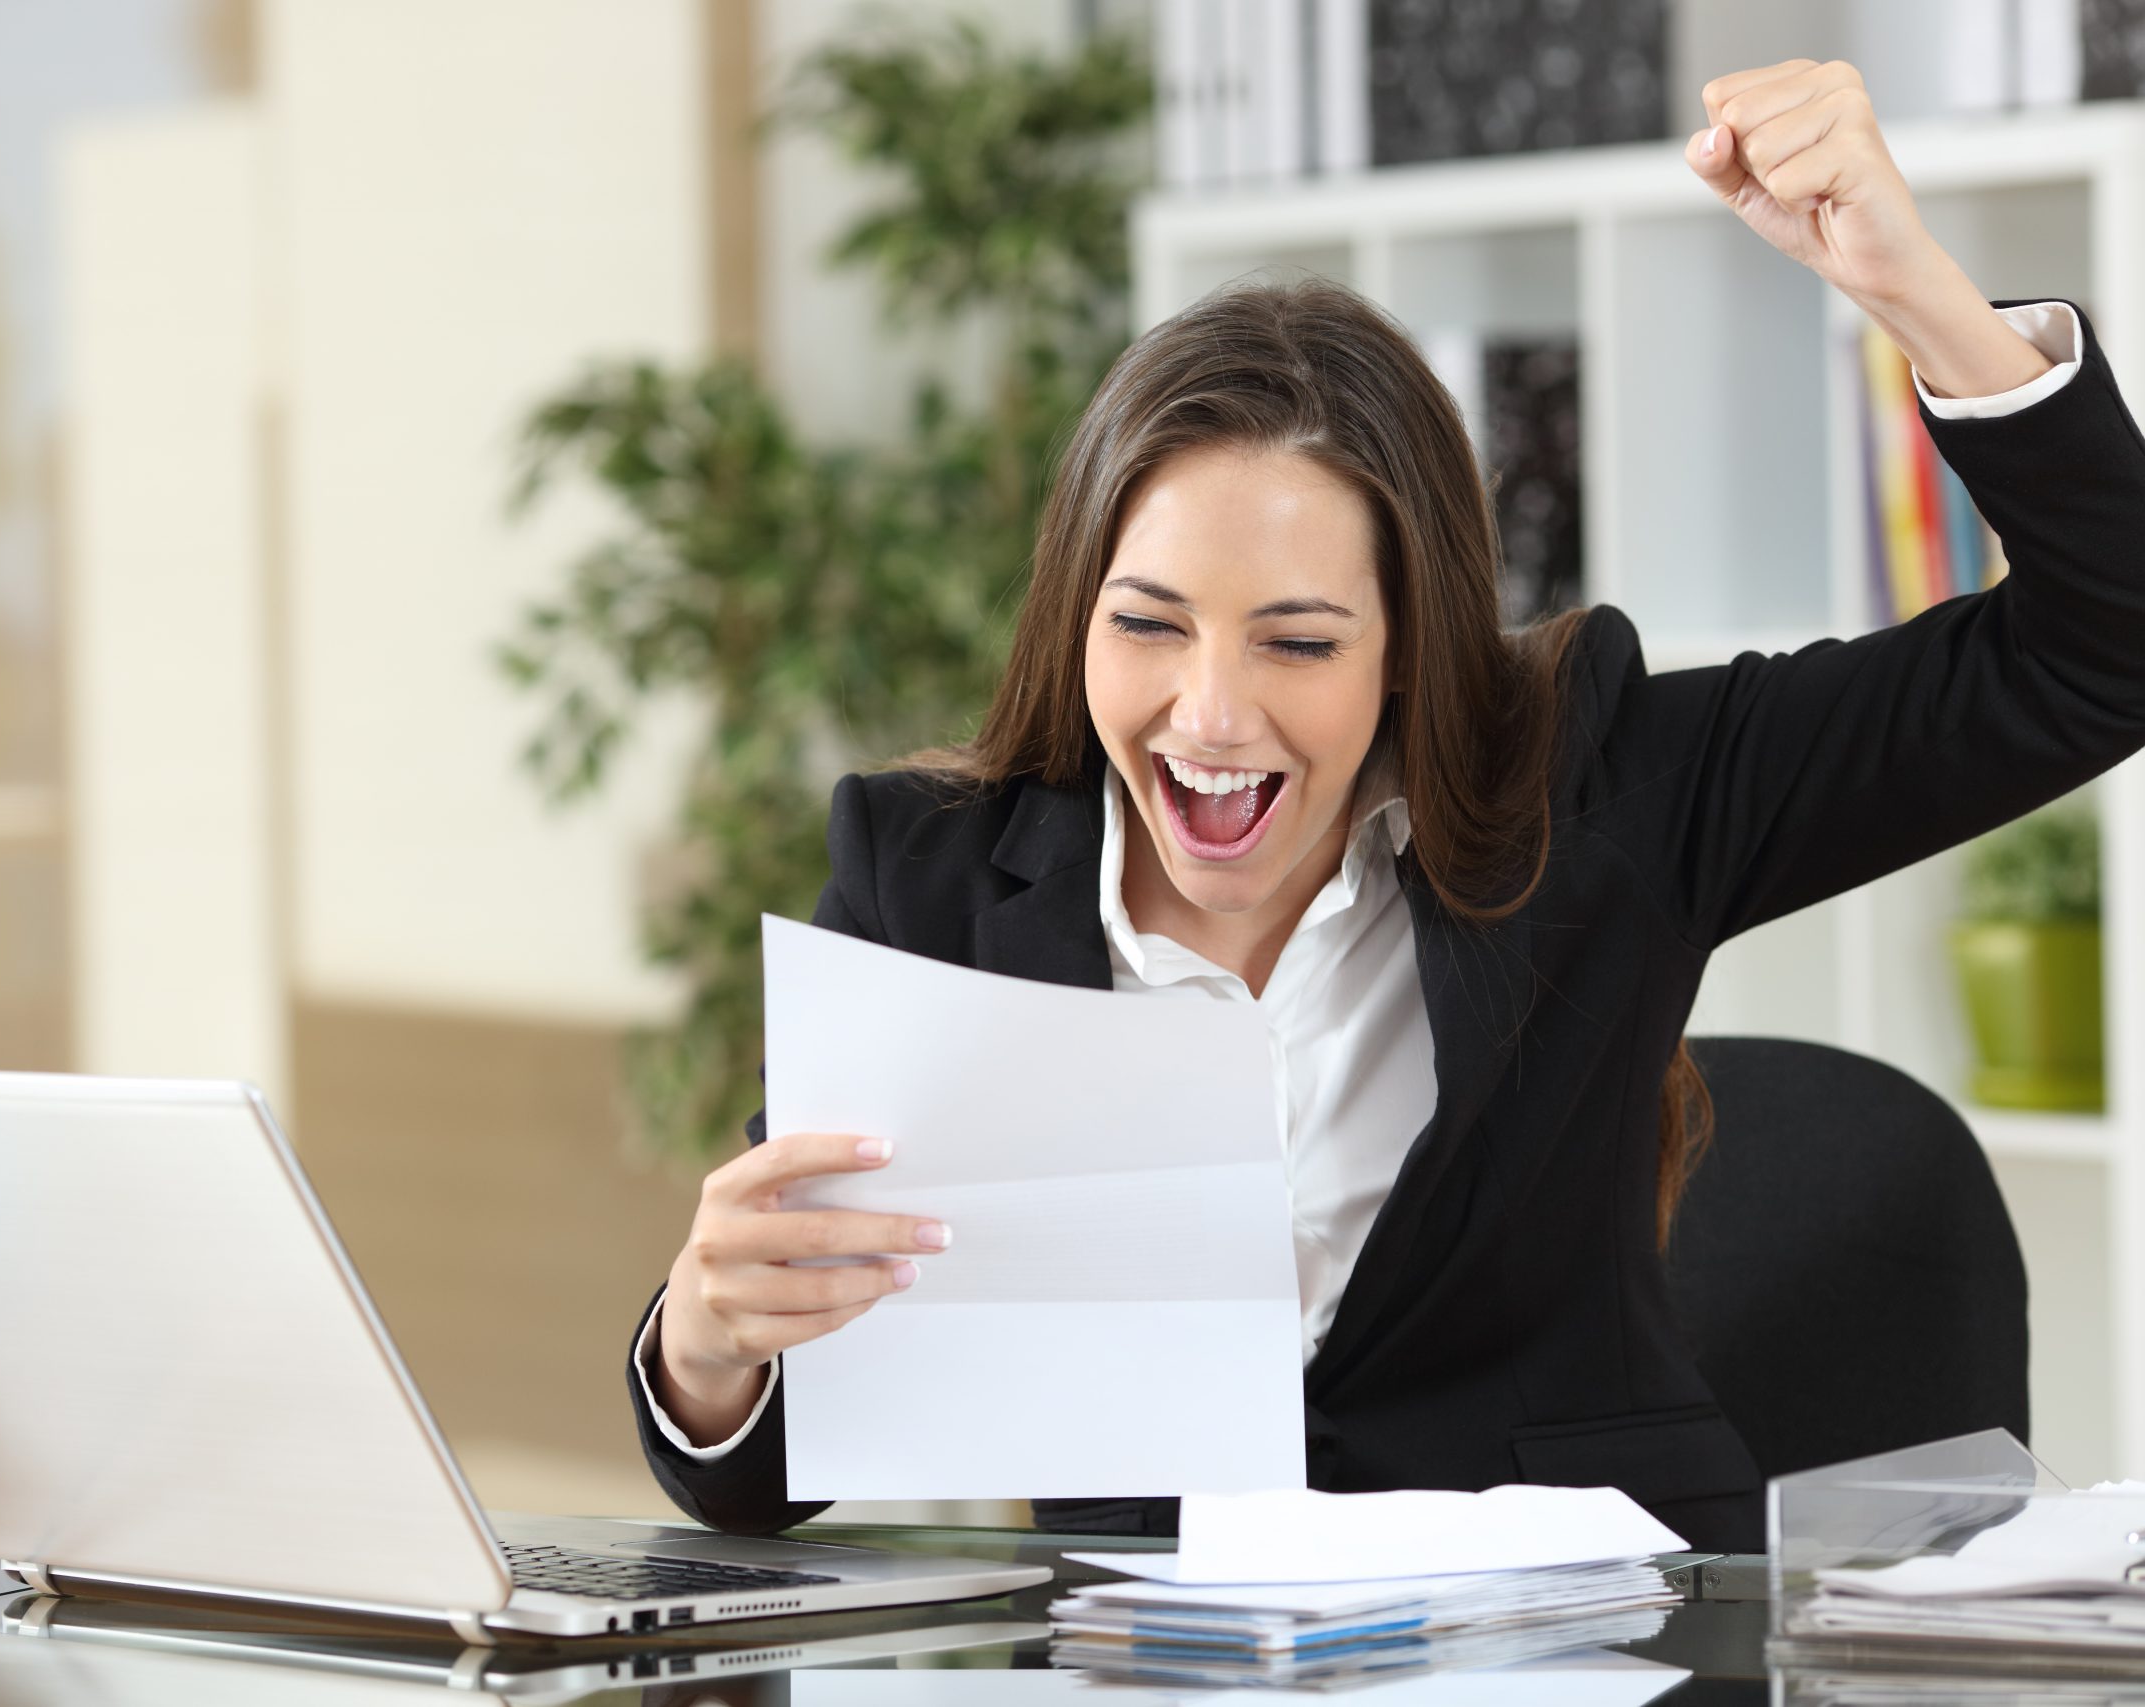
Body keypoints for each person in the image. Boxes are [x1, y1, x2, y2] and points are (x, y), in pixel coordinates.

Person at [623, 59, 2145, 1552]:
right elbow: (768, 1460)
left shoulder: (1602, 786)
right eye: (1148, 625)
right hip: (1164, 1670)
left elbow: (2104, 650)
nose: (1210, 714)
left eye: (1297, 641)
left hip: (1591, 1646)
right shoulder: (929, 882)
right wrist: (710, 1349)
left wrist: (1919, 295)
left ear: (1411, 647)